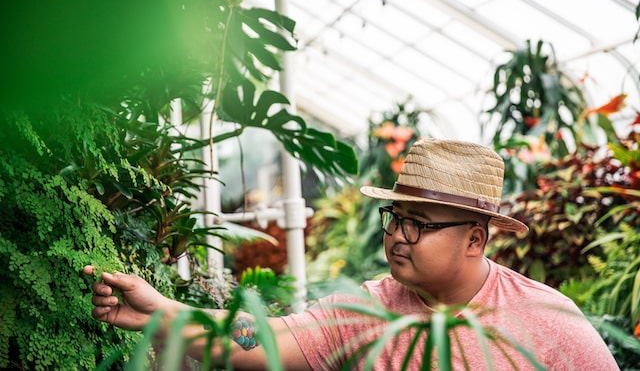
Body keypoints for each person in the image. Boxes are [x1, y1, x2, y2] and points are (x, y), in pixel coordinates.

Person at [85, 138, 619, 370]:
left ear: (475, 239)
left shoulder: (546, 323)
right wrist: (159, 313)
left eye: (420, 223)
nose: (399, 235)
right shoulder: (367, 313)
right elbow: (260, 338)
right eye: (395, 218)